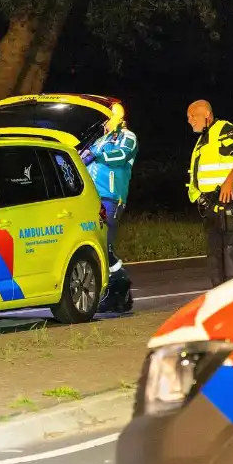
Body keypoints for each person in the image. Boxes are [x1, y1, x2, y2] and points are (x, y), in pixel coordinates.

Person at [81, 102, 138, 314]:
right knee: (100, 245)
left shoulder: (127, 136)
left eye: (107, 118)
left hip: (111, 198)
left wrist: (96, 155)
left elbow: (121, 155)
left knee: (104, 245)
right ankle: (119, 293)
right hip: (92, 199)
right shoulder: (99, 140)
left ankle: (118, 290)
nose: (103, 123)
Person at [186, 100, 233, 287]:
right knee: (215, 255)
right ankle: (220, 298)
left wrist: (228, 182)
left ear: (207, 114)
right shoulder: (203, 139)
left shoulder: (223, 129)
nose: (190, 121)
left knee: (231, 251)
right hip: (211, 203)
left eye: (193, 116)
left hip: (229, 199)